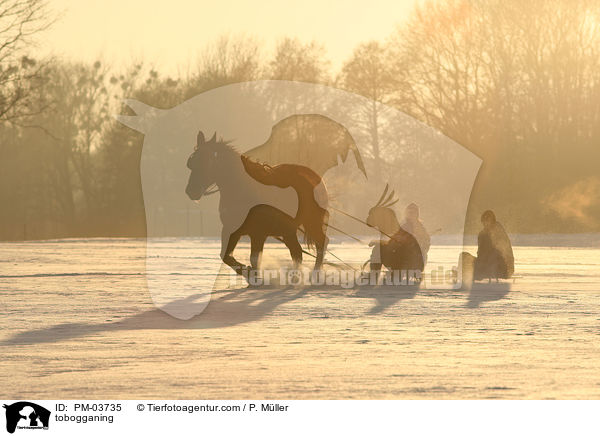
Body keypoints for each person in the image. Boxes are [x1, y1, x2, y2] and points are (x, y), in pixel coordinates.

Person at [460, 210, 514, 283]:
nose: (485, 223)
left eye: (487, 221)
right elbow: (481, 254)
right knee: (464, 256)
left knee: (469, 260)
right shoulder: (483, 233)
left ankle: (473, 272)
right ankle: (469, 271)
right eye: (484, 221)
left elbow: (495, 253)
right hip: (490, 265)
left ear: (492, 221)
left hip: (501, 269)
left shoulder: (496, 232)